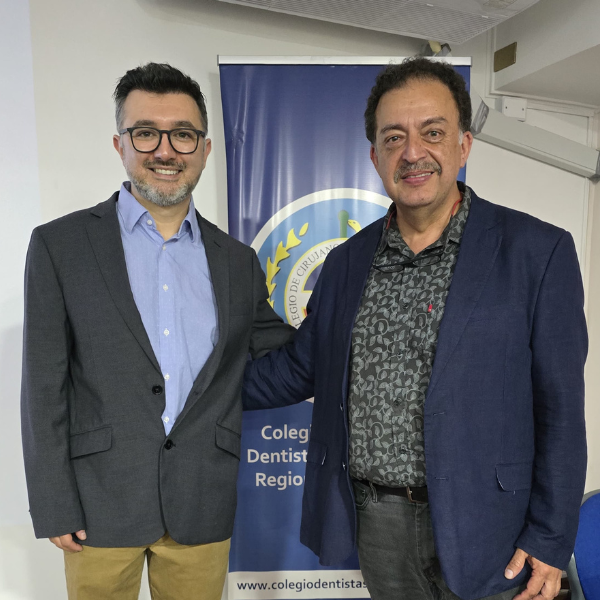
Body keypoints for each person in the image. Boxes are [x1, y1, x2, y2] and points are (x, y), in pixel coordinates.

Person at [243, 58, 587, 600]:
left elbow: (561, 409)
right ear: (375, 157)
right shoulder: (346, 262)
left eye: (432, 132)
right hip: (379, 525)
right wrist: (193, 386)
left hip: (494, 528)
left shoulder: (537, 253)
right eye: (393, 137)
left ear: (463, 145)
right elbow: (300, 367)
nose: (412, 152)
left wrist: (549, 536)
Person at [21, 62, 294, 600]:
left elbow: (277, 352)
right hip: (99, 504)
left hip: (202, 499)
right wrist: (53, 502)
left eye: (183, 135)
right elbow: (43, 387)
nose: (165, 151)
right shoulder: (60, 246)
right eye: (146, 132)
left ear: (205, 149)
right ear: (119, 144)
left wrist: (343, 314)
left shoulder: (237, 261)